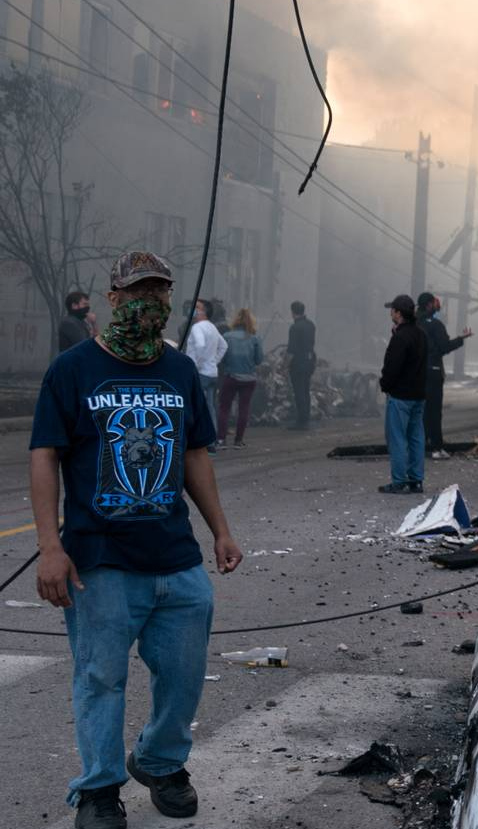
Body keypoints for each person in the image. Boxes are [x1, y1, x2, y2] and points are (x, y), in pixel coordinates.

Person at [29, 250, 243, 829]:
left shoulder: (178, 371)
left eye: (159, 292)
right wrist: (51, 545)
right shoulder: (72, 370)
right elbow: (44, 455)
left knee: (184, 674)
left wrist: (220, 529)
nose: (150, 302)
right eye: (138, 292)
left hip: (175, 556)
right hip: (100, 561)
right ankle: (99, 788)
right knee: (100, 677)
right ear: (114, 298)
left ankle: (159, 762)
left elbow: (195, 453)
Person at [379, 294, 428, 494]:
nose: (391, 312)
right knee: (416, 436)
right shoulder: (421, 334)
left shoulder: (400, 337)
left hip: (400, 396)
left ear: (398, 313)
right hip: (419, 394)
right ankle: (416, 480)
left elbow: (392, 367)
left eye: (393, 310)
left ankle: (399, 481)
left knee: (397, 438)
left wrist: (385, 384)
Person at [418, 291, 471, 459]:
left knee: (419, 410)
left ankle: (419, 443)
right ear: (429, 305)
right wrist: (461, 339)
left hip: (415, 372)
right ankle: (436, 448)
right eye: (435, 303)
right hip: (433, 371)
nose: (438, 306)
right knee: (434, 410)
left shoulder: (413, 323)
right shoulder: (436, 325)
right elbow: (445, 347)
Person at [181, 300, 227, 453]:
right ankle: (211, 441)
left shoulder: (197, 327)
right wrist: (213, 361)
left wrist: (195, 365)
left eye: (197, 307)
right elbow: (223, 345)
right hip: (212, 373)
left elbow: (200, 346)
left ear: (204, 311)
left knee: (194, 406)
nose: (193, 309)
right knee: (210, 407)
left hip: (200, 373)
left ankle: (197, 440)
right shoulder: (212, 327)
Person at [216, 309, 263, 449]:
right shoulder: (255, 338)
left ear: (235, 320)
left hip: (231, 377)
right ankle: (238, 440)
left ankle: (221, 440)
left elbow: (221, 357)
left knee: (224, 407)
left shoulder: (227, 336)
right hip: (249, 379)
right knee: (244, 408)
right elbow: (259, 360)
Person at [286, 301, 317, 430]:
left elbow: (291, 350)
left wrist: (285, 365)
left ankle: (301, 421)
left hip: (298, 363)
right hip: (310, 361)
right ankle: (306, 417)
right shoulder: (311, 325)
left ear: (293, 312)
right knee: (306, 389)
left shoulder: (294, 328)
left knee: (298, 391)